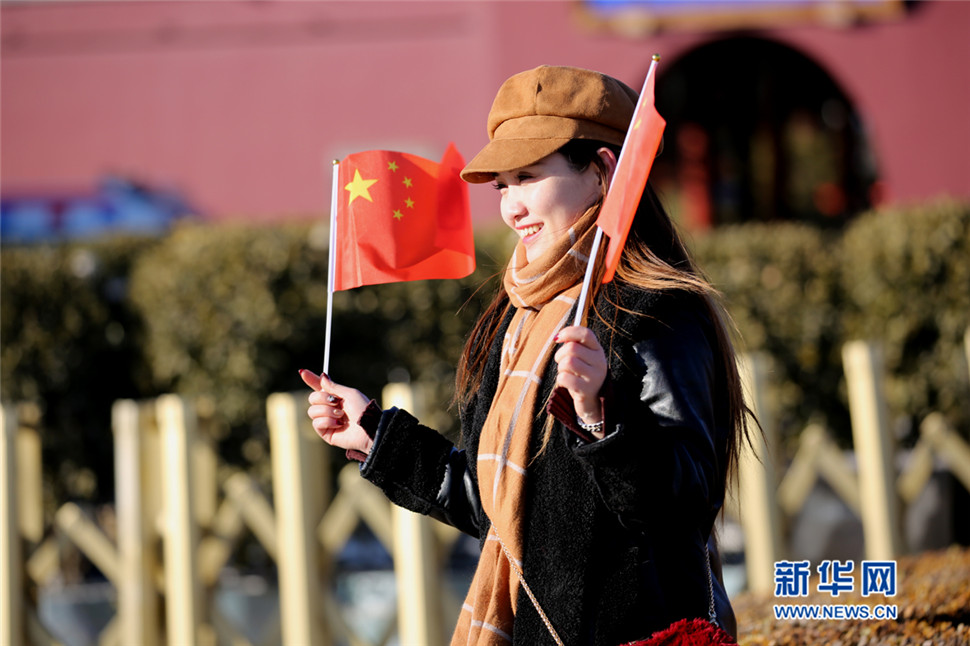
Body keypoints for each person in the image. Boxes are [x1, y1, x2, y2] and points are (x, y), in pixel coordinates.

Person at [302, 65, 752, 645]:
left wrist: (601, 417)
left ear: (601, 171)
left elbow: (684, 505)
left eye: (529, 176)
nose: (511, 206)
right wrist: (372, 435)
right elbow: (498, 507)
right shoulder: (513, 320)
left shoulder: (656, 312)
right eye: (502, 185)